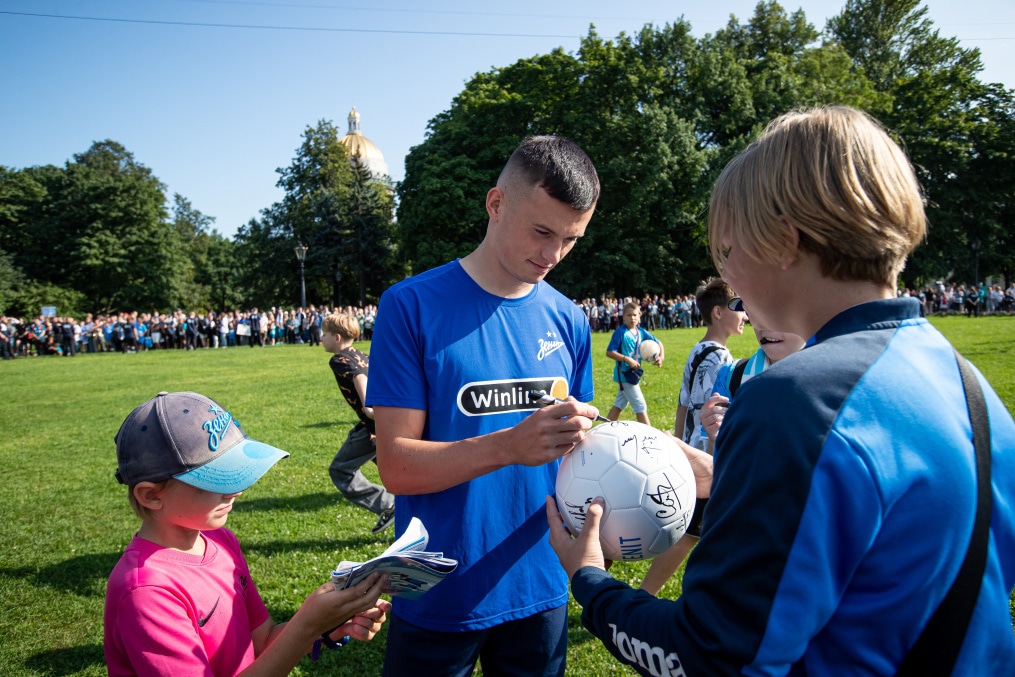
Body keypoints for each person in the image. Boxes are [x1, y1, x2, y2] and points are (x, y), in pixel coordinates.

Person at [547, 105, 1015, 674]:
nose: (731, 280)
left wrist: (591, 579)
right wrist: (729, 479)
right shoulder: (969, 386)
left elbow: (710, 657)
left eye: (727, 250)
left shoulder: (795, 399)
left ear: (783, 241)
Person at [368, 135, 603, 677]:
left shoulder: (568, 319)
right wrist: (507, 446)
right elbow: (397, 466)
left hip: (540, 583)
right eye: (542, 231)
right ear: (496, 205)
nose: (552, 255)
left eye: (571, 239)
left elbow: (579, 457)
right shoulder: (411, 306)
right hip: (436, 590)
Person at [104, 391, 391, 676]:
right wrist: (307, 625)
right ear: (151, 495)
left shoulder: (220, 541)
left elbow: (263, 641)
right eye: (216, 478)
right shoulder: (147, 592)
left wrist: (326, 625)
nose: (238, 490)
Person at [639, 304, 806, 596]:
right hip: (747, 546)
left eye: (776, 307)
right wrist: (716, 434)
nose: (764, 324)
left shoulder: (845, 379)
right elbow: (719, 465)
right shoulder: (733, 375)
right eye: (756, 312)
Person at [321, 312, 395, 534]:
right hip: (379, 426)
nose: (321, 339)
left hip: (373, 428)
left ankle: (390, 504)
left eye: (324, 334)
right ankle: (418, 504)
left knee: (341, 470)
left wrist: (369, 407)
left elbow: (358, 376)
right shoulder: (361, 354)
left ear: (337, 337)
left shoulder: (341, 360)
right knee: (396, 468)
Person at [674, 277, 745, 452]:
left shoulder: (697, 350)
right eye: (739, 308)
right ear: (718, 313)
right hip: (706, 453)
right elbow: (717, 416)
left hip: (689, 447)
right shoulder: (721, 359)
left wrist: (678, 445)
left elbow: (682, 405)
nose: (745, 316)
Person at [604, 301, 664, 426]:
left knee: (619, 404)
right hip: (624, 374)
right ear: (623, 317)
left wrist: (660, 357)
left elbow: (659, 343)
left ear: (639, 316)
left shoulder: (641, 332)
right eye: (629, 315)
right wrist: (627, 359)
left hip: (633, 374)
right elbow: (609, 352)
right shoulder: (621, 332)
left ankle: (604, 428)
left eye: (635, 315)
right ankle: (650, 437)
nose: (632, 318)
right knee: (640, 405)